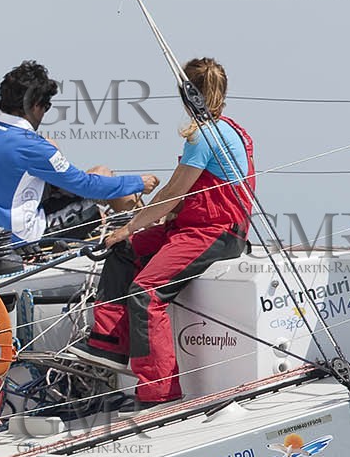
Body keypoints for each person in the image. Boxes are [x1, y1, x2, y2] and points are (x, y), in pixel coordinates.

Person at [74, 57, 255, 405]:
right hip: (192, 227)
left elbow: (173, 194)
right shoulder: (224, 130)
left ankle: (159, 392)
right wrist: (132, 233)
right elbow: (177, 196)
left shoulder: (204, 137)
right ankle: (109, 345)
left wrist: (129, 226)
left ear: (186, 95)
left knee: (146, 292)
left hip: (216, 234)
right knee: (124, 251)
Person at [0, 60, 158, 245]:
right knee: (102, 190)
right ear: (35, 105)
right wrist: (139, 182)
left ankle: (150, 228)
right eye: (46, 107)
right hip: (23, 238)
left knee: (101, 173)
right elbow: (87, 186)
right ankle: (153, 235)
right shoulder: (32, 146)